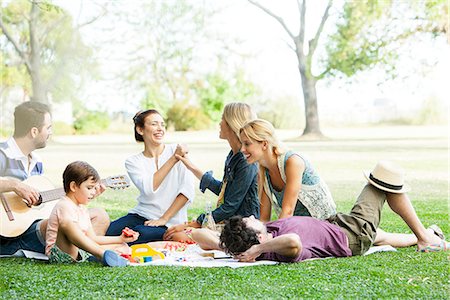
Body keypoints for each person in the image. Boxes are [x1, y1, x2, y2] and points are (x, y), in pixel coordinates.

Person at [212, 161, 448, 263]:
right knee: (382, 179)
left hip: (338, 227)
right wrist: (258, 249)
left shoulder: (266, 234)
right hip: (351, 234)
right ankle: (426, 239)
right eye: (249, 221)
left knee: (384, 237)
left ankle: (428, 236)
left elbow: (201, 238)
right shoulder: (278, 250)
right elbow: (294, 241)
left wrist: (234, 247)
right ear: (258, 239)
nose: (253, 217)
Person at [0, 101, 109, 255]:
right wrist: (15, 185)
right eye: (48, 127)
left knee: (99, 215)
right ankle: (94, 252)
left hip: (34, 228)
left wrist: (83, 193)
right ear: (34, 131)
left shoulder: (37, 161)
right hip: (8, 237)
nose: (50, 132)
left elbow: (42, 204)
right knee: (62, 221)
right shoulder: (3, 153)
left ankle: (85, 252)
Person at [164, 102, 259, 242]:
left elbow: (230, 206)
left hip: (241, 227)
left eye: (223, 119)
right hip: (229, 222)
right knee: (174, 235)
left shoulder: (245, 161)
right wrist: (191, 166)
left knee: (177, 236)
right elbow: (226, 191)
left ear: (232, 123)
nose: (220, 123)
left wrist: (194, 223)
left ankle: (224, 246)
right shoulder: (233, 156)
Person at [105, 109, 195, 243]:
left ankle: (112, 250)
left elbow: (187, 192)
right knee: (112, 231)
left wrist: (163, 218)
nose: (160, 129)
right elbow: (149, 188)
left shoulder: (176, 150)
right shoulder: (133, 162)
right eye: (154, 124)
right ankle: (107, 250)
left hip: (169, 221)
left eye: (162, 125)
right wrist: (173, 159)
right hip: (142, 214)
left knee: (139, 233)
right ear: (140, 130)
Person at [239, 118, 336, 221]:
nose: (242, 149)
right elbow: (264, 219)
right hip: (297, 227)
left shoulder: (292, 162)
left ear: (264, 144)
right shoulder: (264, 172)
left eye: (247, 144)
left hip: (324, 226)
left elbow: (287, 211)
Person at [46, 161, 138, 266]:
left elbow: (93, 238)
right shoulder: (64, 205)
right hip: (60, 254)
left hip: (79, 252)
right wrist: (101, 250)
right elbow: (67, 227)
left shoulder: (82, 208)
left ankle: (100, 255)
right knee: (67, 223)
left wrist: (120, 239)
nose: (93, 192)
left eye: (94, 188)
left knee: (123, 246)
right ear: (73, 187)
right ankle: (101, 254)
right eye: (89, 188)